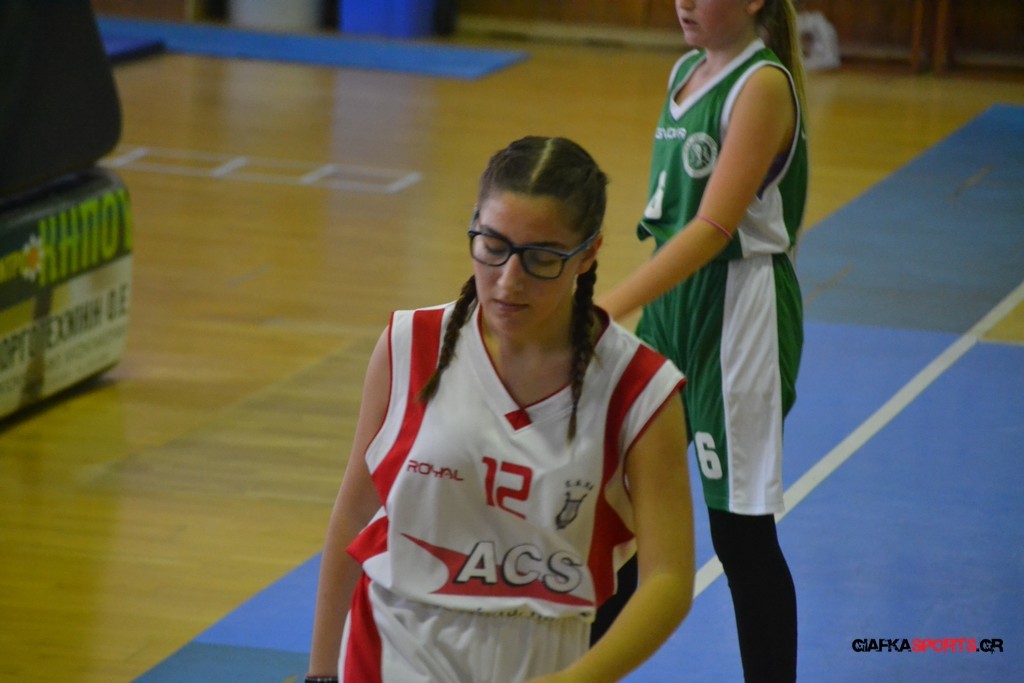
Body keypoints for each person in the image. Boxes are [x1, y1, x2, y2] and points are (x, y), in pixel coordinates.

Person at [306, 136, 696, 683]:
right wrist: (321, 674)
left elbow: (669, 578)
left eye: (541, 259)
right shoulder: (408, 345)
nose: (509, 281)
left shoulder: (641, 389)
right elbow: (353, 514)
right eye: (492, 246)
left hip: (544, 658)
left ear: (588, 254)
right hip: (390, 653)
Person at [596, 1, 808, 681]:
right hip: (673, 307)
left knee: (740, 533)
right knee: (618, 511)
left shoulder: (762, 84)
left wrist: (604, 307)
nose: (685, 1)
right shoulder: (685, 71)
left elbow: (715, 228)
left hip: (738, 312)